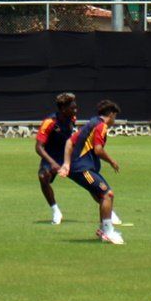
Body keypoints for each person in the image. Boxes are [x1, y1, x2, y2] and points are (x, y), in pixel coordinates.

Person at [59, 100, 125, 245]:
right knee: (108, 194)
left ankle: (104, 229)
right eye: (115, 117)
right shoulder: (101, 126)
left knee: (103, 196)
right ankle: (108, 232)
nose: (114, 121)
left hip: (79, 168)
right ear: (112, 114)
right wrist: (112, 161)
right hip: (83, 170)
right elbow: (98, 150)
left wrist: (66, 163)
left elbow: (70, 142)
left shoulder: (91, 123)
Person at [35, 93, 78, 225]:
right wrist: (52, 163)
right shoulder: (49, 122)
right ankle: (56, 211)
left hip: (68, 156)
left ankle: (109, 211)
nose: (76, 110)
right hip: (52, 157)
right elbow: (38, 147)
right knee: (43, 177)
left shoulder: (72, 118)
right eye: (73, 108)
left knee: (89, 179)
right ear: (63, 109)